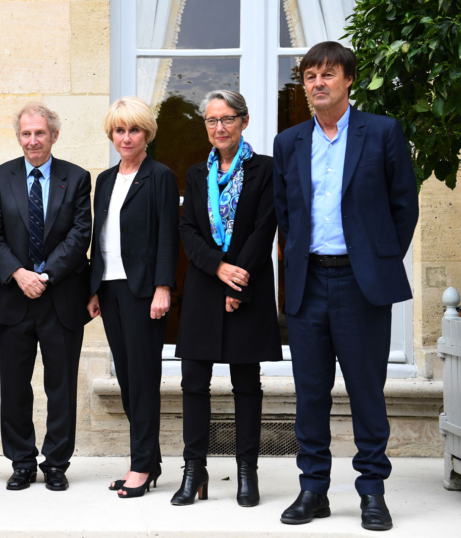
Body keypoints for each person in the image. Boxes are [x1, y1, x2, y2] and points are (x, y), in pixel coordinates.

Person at [273, 41, 418, 531]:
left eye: (328, 74)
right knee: (309, 394)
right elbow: (286, 214)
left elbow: (404, 206)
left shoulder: (382, 132)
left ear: (349, 80)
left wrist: (374, 262)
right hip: (309, 282)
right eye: (311, 75)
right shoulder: (289, 142)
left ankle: (372, 492)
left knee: (366, 392)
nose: (318, 83)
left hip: (361, 286)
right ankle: (313, 490)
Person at [172, 90, 281, 507]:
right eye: (212, 120)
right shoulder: (198, 172)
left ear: (244, 121)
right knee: (193, 383)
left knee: (246, 384)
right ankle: (193, 471)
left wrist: (238, 282)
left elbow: (263, 228)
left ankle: (246, 473)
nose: (219, 127)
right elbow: (188, 230)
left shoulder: (265, 169)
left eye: (227, 119)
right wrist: (218, 269)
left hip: (247, 284)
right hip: (205, 284)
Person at [0, 103, 92, 492]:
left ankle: (57, 462)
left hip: (60, 297)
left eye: (40, 133)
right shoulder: (0, 177)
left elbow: (81, 236)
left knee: (60, 385)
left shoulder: (76, 178)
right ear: (19, 137)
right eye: (26, 134)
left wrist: (44, 276)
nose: (32, 140)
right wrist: (19, 274)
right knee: (15, 385)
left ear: (54, 136)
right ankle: (22, 461)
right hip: (14, 297)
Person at [86, 96, 179, 499]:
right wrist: (93, 288)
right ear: (111, 134)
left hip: (144, 290)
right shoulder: (105, 179)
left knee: (143, 379)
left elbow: (167, 237)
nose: (127, 137)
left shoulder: (159, 176)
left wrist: (163, 286)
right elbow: (100, 237)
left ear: (147, 134)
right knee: (126, 378)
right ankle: (150, 460)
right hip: (110, 288)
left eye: (134, 129)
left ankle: (140, 465)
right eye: (120, 130)